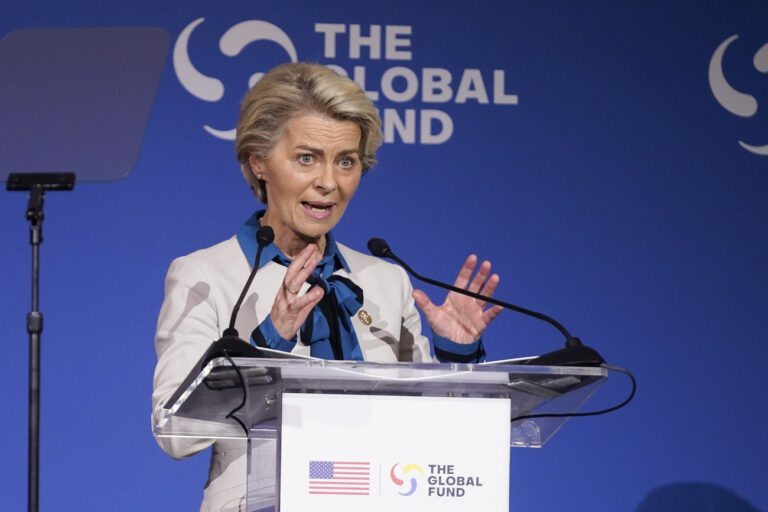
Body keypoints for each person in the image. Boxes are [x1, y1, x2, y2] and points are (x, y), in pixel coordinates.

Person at [152, 62, 503, 512]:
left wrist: (457, 356)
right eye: (306, 158)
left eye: (346, 162)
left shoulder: (386, 279)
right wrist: (266, 342)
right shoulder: (206, 274)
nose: (328, 183)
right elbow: (176, 433)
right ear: (259, 161)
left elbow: (442, 438)